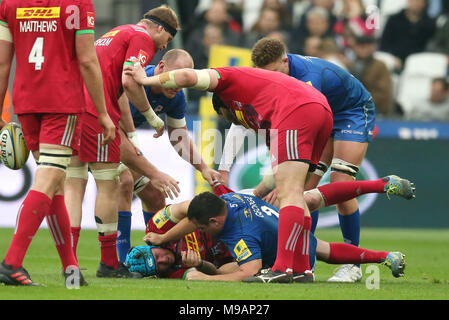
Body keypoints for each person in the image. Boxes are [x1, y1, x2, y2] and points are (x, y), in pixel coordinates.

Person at [124, 58, 334, 283]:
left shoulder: (224, 78)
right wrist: (202, 267)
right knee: (298, 194)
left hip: (300, 109)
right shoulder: (255, 109)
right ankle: (302, 269)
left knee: (291, 194)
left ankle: (284, 267)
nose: (163, 261)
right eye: (159, 266)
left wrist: (144, 79)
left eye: (156, 257)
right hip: (320, 108)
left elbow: (185, 76)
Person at [219, 37, 376, 282]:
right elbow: (243, 118)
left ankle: (352, 264)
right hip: (320, 114)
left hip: (350, 111)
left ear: (285, 60)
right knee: (301, 191)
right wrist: (225, 167)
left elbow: (302, 126)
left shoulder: (307, 78)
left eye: (274, 72)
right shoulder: (268, 79)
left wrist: (275, 179)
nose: (272, 78)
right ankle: (304, 263)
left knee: (339, 180)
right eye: (265, 74)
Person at [0, 0, 115, 287]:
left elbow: (3, 62)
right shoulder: (77, 4)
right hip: (60, 103)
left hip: (26, 104)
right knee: (49, 179)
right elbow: (88, 60)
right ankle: (11, 264)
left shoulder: (8, 4)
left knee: (55, 184)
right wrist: (102, 112)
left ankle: (71, 269)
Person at [65, 5, 181, 279]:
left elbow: (116, 86)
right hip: (94, 110)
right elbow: (130, 81)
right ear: (160, 29)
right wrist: (152, 117)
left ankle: (68, 262)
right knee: (110, 184)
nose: (164, 46)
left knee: (74, 183)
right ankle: (108, 264)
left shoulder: (116, 32)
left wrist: (130, 131)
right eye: (167, 40)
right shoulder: (142, 38)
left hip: (69, 106)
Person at [138, 175, 414, 281]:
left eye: (201, 227)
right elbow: (190, 216)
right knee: (309, 200)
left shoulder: (238, 236)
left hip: (289, 250)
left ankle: (384, 256)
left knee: (318, 248)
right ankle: (381, 184)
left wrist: (209, 278)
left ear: (213, 223)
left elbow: (250, 268)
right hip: (281, 216)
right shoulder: (226, 202)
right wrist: (164, 237)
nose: (196, 229)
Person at [114, 49, 222, 263]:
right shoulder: (132, 81)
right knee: (124, 181)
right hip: (99, 132)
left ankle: (156, 255)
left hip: (123, 140)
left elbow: (179, 137)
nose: (177, 84)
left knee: (155, 194)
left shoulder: (176, 97)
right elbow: (115, 133)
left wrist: (204, 168)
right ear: (161, 67)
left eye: (183, 79)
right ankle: (119, 262)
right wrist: (154, 172)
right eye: (174, 75)